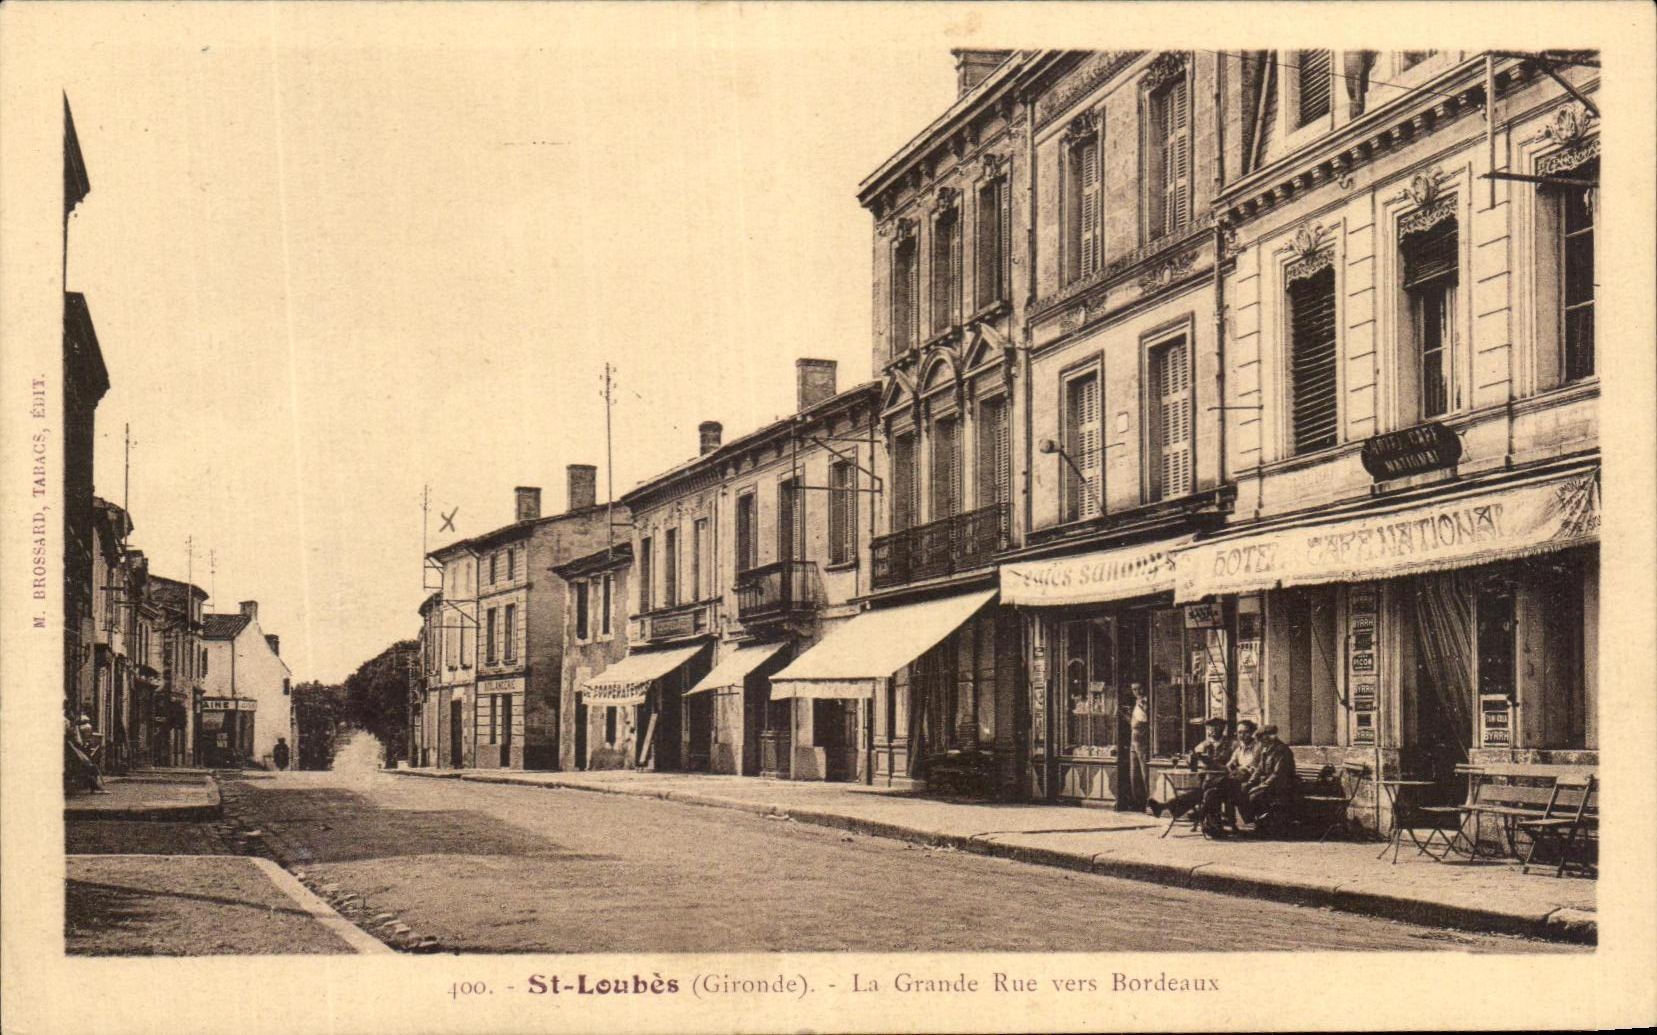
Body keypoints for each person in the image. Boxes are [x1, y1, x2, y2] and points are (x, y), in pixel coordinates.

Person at [1147, 717, 1231, 822]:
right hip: (1207, 780)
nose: (1213, 730)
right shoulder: (1204, 744)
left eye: (1216, 727)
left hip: (1224, 780)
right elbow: (1191, 759)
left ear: (1223, 728)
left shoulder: (1230, 744)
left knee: (1200, 793)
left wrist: (1207, 760)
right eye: (1210, 727)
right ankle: (1169, 807)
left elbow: (1227, 765)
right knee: (1199, 792)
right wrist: (1191, 757)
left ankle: (1168, 806)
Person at [1122, 684, 1151, 811]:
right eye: (1134, 689)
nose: (1137, 691)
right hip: (1134, 739)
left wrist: (1142, 706)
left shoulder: (1146, 701)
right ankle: (1138, 802)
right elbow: (1134, 722)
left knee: (1144, 771)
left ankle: (1150, 801)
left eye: (1139, 688)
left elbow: (1147, 718)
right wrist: (1125, 715)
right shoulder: (1137, 702)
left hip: (1142, 739)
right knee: (1134, 773)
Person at [65, 713, 106, 793]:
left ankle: (93, 786)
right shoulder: (77, 727)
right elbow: (79, 739)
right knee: (87, 767)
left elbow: (81, 738)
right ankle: (93, 787)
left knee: (87, 767)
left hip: (78, 748)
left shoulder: (79, 727)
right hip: (76, 748)